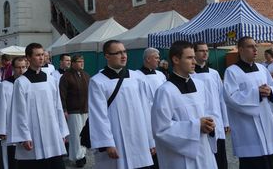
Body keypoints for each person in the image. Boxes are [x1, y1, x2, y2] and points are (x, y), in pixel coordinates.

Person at [88, 40, 155, 169]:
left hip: (139, 137)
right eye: (118, 53)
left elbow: (146, 109)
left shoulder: (137, 78)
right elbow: (98, 115)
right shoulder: (98, 81)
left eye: (124, 52)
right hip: (116, 139)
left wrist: (151, 140)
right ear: (107, 56)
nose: (123, 56)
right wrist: (107, 143)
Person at [151, 41, 217, 168]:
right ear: (176, 59)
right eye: (189, 58)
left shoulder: (199, 85)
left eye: (194, 57)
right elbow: (161, 130)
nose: (194, 62)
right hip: (180, 159)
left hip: (204, 152)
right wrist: (196, 125)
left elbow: (209, 112)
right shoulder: (165, 91)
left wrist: (210, 124)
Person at [10, 43, 68, 169]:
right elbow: (18, 112)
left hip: (52, 133)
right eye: (37, 55)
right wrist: (24, 137)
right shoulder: (21, 82)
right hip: (32, 135)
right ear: (28, 58)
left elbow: (58, 106)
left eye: (42, 54)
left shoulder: (51, 80)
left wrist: (62, 132)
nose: (41, 58)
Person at [223, 36, 273, 169]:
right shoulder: (232, 71)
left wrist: (270, 92)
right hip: (247, 130)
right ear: (241, 49)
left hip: (267, 124)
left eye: (256, 46)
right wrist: (256, 93)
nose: (255, 49)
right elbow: (230, 97)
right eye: (250, 46)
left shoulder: (262, 69)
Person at [192, 42, 229, 169]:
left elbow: (221, 98)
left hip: (216, 120)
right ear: (194, 53)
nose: (205, 53)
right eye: (201, 50)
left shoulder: (214, 73)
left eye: (206, 50)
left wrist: (225, 122)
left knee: (220, 159)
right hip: (201, 122)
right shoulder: (190, 75)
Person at [0, 55, 27, 169]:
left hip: (26, 127)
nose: (21, 70)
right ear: (13, 68)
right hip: (10, 127)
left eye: (23, 67)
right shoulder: (5, 85)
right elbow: (1, 108)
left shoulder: (29, 83)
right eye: (18, 67)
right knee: (10, 158)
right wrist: (1, 129)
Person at [59, 54, 90, 168]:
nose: (82, 63)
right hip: (73, 110)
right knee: (76, 136)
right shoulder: (66, 77)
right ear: (72, 63)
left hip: (85, 109)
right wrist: (64, 109)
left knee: (84, 134)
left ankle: (82, 154)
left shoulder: (86, 75)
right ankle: (79, 157)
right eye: (79, 61)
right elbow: (62, 95)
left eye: (82, 61)